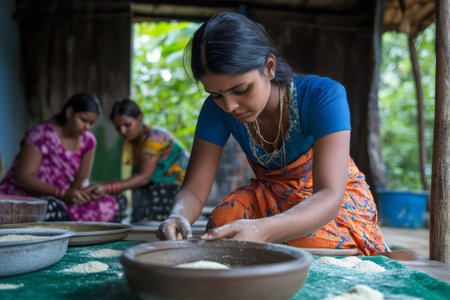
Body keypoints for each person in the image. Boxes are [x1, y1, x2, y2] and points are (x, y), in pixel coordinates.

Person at [156, 12, 389, 256]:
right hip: (269, 198)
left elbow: (329, 195)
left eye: (242, 89)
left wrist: (262, 230)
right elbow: (194, 189)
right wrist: (178, 216)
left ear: (269, 67)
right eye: (216, 94)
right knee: (223, 223)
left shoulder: (323, 96)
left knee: (311, 242)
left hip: (326, 203)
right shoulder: (216, 110)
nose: (230, 106)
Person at [0, 93, 119, 222]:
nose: (87, 127)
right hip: (31, 197)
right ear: (69, 113)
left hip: (65, 201)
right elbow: (23, 177)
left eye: (92, 123)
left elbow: (83, 177)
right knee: (45, 208)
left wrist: (82, 192)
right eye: (84, 120)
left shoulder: (88, 141)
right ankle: (65, 222)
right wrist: (61, 193)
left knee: (111, 203)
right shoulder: (41, 134)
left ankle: (62, 221)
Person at [86, 99, 189, 222]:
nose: (122, 131)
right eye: (118, 127)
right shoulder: (129, 143)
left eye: (127, 125)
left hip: (178, 188)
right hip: (154, 185)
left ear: (139, 118)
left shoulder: (153, 139)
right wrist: (103, 186)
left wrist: (107, 187)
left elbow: (144, 177)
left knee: (131, 203)